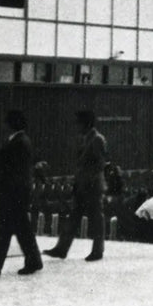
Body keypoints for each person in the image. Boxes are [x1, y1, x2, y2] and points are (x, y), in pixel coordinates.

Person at [0, 110, 43, 277]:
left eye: (6, 122)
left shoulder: (18, 143)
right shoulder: (21, 141)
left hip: (12, 192)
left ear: (12, 124)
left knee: (3, 230)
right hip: (18, 191)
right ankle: (33, 261)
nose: (4, 126)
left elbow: (8, 169)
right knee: (21, 229)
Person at [45, 110, 107, 262]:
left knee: (96, 219)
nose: (76, 126)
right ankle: (61, 249)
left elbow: (99, 164)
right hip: (82, 185)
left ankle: (97, 251)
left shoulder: (97, 139)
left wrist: (87, 183)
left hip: (92, 186)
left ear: (85, 123)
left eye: (78, 123)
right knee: (73, 218)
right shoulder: (85, 139)